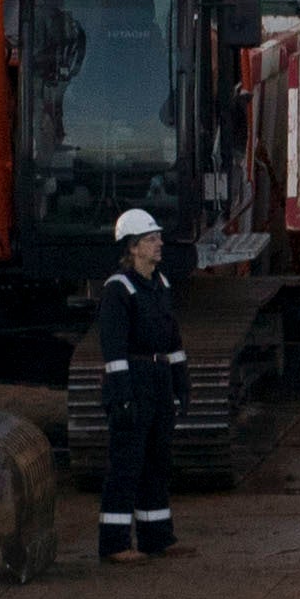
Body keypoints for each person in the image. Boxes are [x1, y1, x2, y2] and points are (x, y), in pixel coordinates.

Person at [92, 206, 186, 565]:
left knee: (157, 462)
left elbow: (172, 338)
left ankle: (156, 537)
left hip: (159, 383)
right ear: (133, 247)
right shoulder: (119, 291)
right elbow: (113, 349)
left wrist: (181, 383)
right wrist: (122, 396)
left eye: (157, 237)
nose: (159, 243)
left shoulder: (160, 283)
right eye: (151, 239)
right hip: (134, 384)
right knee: (126, 464)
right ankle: (114, 543)